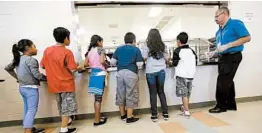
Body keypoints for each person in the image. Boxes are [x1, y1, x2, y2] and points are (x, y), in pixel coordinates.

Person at [208, 7, 251, 113]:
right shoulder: (218, 31)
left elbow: (247, 38)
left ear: (225, 14)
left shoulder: (235, 24)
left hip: (232, 56)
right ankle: (230, 104)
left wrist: (229, 45)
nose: (215, 18)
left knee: (222, 81)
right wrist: (214, 52)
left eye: (217, 15)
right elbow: (220, 47)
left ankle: (221, 106)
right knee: (228, 81)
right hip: (223, 57)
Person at [41, 27, 82, 133]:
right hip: (66, 84)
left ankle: (66, 125)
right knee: (67, 107)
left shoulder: (47, 50)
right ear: (65, 38)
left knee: (61, 106)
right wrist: (80, 67)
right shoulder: (67, 52)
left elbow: (43, 65)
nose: (70, 40)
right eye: (69, 38)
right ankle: (63, 129)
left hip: (54, 84)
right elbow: (72, 69)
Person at [5, 39, 46, 133]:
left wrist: (18, 78)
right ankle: (27, 131)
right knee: (32, 110)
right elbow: (37, 75)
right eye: (34, 46)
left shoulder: (18, 59)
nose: (36, 49)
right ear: (28, 48)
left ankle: (29, 128)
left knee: (27, 109)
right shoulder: (31, 60)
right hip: (31, 88)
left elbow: (8, 68)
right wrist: (47, 78)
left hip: (22, 88)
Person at [110, 32, 143, 124]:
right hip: (131, 73)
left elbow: (112, 62)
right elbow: (139, 65)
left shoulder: (119, 49)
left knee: (120, 94)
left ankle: (123, 115)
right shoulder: (136, 49)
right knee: (130, 94)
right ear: (133, 40)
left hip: (120, 73)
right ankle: (129, 117)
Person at [141, 29, 169, 122]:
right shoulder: (163, 46)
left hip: (151, 71)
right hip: (161, 70)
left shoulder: (146, 46)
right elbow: (167, 58)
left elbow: (144, 58)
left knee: (153, 92)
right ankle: (165, 113)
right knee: (161, 91)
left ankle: (154, 115)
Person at [84, 35, 108, 126]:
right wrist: (106, 65)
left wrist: (93, 64)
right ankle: (97, 121)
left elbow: (85, 64)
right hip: (100, 75)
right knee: (98, 99)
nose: (102, 44)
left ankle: (97, 117)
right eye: (101, 42)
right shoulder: (100, 49)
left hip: (93, 75)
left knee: (96, 98)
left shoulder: (89, 52)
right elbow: (102, 61)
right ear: (98, 41)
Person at [172, 32, 197, 117]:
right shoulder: (192, 51)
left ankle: (186, 111)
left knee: (184, 94)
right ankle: (184, 107)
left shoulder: (177, 50)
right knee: (187, 93)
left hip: (181, 75)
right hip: (191, 75)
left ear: (178, 41)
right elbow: (195, 62)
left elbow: (174, 63)